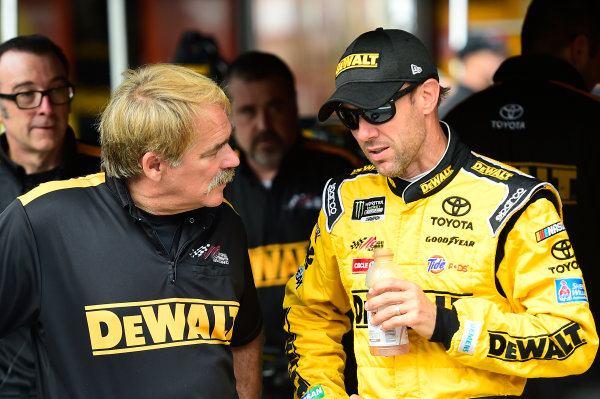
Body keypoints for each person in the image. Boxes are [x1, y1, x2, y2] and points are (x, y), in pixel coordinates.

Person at [283, 27, 598, 399]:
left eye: (378, 112)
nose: (364, 133)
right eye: (351, 118)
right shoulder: (345, 199)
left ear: (427, 96)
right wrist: (322, 396)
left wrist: (445, 323)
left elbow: (572, 339)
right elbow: (310, 316)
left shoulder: (513, 202)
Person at [0, 63, 263, 399]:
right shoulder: (43, 221)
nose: (234, 159)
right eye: (214, 151)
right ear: (154, 165)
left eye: (228, 142)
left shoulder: (225, 220)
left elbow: (245, 335)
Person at [443, 2, 600, 396]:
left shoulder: (458, 121)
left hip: (477, 355)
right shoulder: (593, 120)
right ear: (579, 49)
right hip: (582, 362)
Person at [222, 51, 363, 398]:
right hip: (242, 374)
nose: (264, 125)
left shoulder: (341, 171)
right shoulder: (212, 184)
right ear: (228, 117)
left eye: (275, 107)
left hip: (336, 370)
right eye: (248, 112)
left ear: (294, 105)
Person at [0, 34, 100, 398]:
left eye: (57, 90)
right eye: (26, 94)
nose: (45, 107)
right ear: (0, 107)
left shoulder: (112, 178)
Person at [438, 35, 506, 118]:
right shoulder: (457, 108)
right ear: (472, 59)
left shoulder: (484, 101)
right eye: (492, 54)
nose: (500, 61)